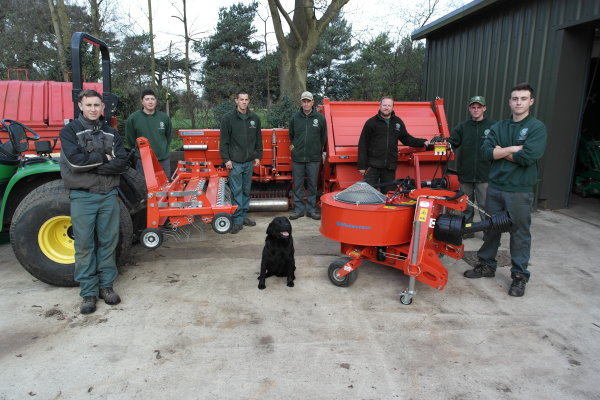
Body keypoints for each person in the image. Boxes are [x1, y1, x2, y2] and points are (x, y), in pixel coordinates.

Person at [463, 83, 547, 298]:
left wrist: (500, 151)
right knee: (491, 228)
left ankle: (519, 276)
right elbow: (486, 152)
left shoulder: (536, 128)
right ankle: (486, 265)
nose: (518, 102)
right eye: (515, 98)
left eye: (523, 98)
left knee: (519, 233)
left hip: (519, 190)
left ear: (531, 102)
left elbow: (528, 157)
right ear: (509, 101)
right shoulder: (499, 127)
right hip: (496, 187)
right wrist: (511, 149)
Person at [60, 89, 130, 314]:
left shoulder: (111, 133)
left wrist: (96, 163)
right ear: (81, 106)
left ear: (102, 108)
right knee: (84, 245)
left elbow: (121, 162)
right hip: (83, 196)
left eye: (96, 105)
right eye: (88, 105)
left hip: (108, 195)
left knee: (108, 242)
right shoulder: (70, 131)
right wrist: (103, 159)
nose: (93, 109)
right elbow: (75, 162)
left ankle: (106, 286)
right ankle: (88, 292)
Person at [358, 96, 430, 193]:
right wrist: (362, 166)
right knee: (368, 194)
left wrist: (423, 142)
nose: (386, 107)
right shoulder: (371, 123)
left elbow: (406, 139)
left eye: (389, 105)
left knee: (388, 195)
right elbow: (363, 144)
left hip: (389, 167)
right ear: (380, 106)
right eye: (384, 105)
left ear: (392, 108)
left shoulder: (398, 122)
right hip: (373, 166)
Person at [448, 96, 496, 238]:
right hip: (466, 173)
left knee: (484, 205)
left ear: (484, 108)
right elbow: (453, 143)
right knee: (466, 205)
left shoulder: (492, 126)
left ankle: (488, 232)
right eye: (473, 107)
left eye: (479, 107)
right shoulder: (463, 126)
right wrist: (442, 143)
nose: (476, 110)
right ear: (469, 109)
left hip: (484, 174)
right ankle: (467, 231)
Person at [219, 91, 262, 234]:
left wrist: (258, 156)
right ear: (236, 101)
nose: (244, 102)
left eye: (246, 99)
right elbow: (224, 141)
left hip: (249, 161)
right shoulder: (228, 119)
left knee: (246, 191)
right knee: (236, 191)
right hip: (235, 163)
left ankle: (244, 217)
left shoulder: (254, 118)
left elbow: (258, 139)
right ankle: (236, 220)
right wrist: (226, 160)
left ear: (249, 101)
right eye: (241, 99)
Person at [288, 91, 327, 220]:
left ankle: (311, 210)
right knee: (297, 185)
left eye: (308, 101)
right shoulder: (294, 118)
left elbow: (323, 137)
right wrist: (296, 148)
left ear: (312, 102)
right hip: (298, 158)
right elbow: (291, 136)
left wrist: (316, 150)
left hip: (313, 158)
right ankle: (298, 210)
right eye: (304, 101)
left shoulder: (320, 118)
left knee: (312, 185)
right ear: (301, 102)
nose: (306, 103)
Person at [125, 89, 172, 177]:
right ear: (142, 102)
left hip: (163, 160)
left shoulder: (164, 117)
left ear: (156, 101)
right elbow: (131, 140)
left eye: (152, 99)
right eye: (147, 99)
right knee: (144, 188)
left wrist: (162, 148)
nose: (150, 102)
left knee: (165, 187)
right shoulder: (133, 118)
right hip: (144, 161)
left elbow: (168, 137)